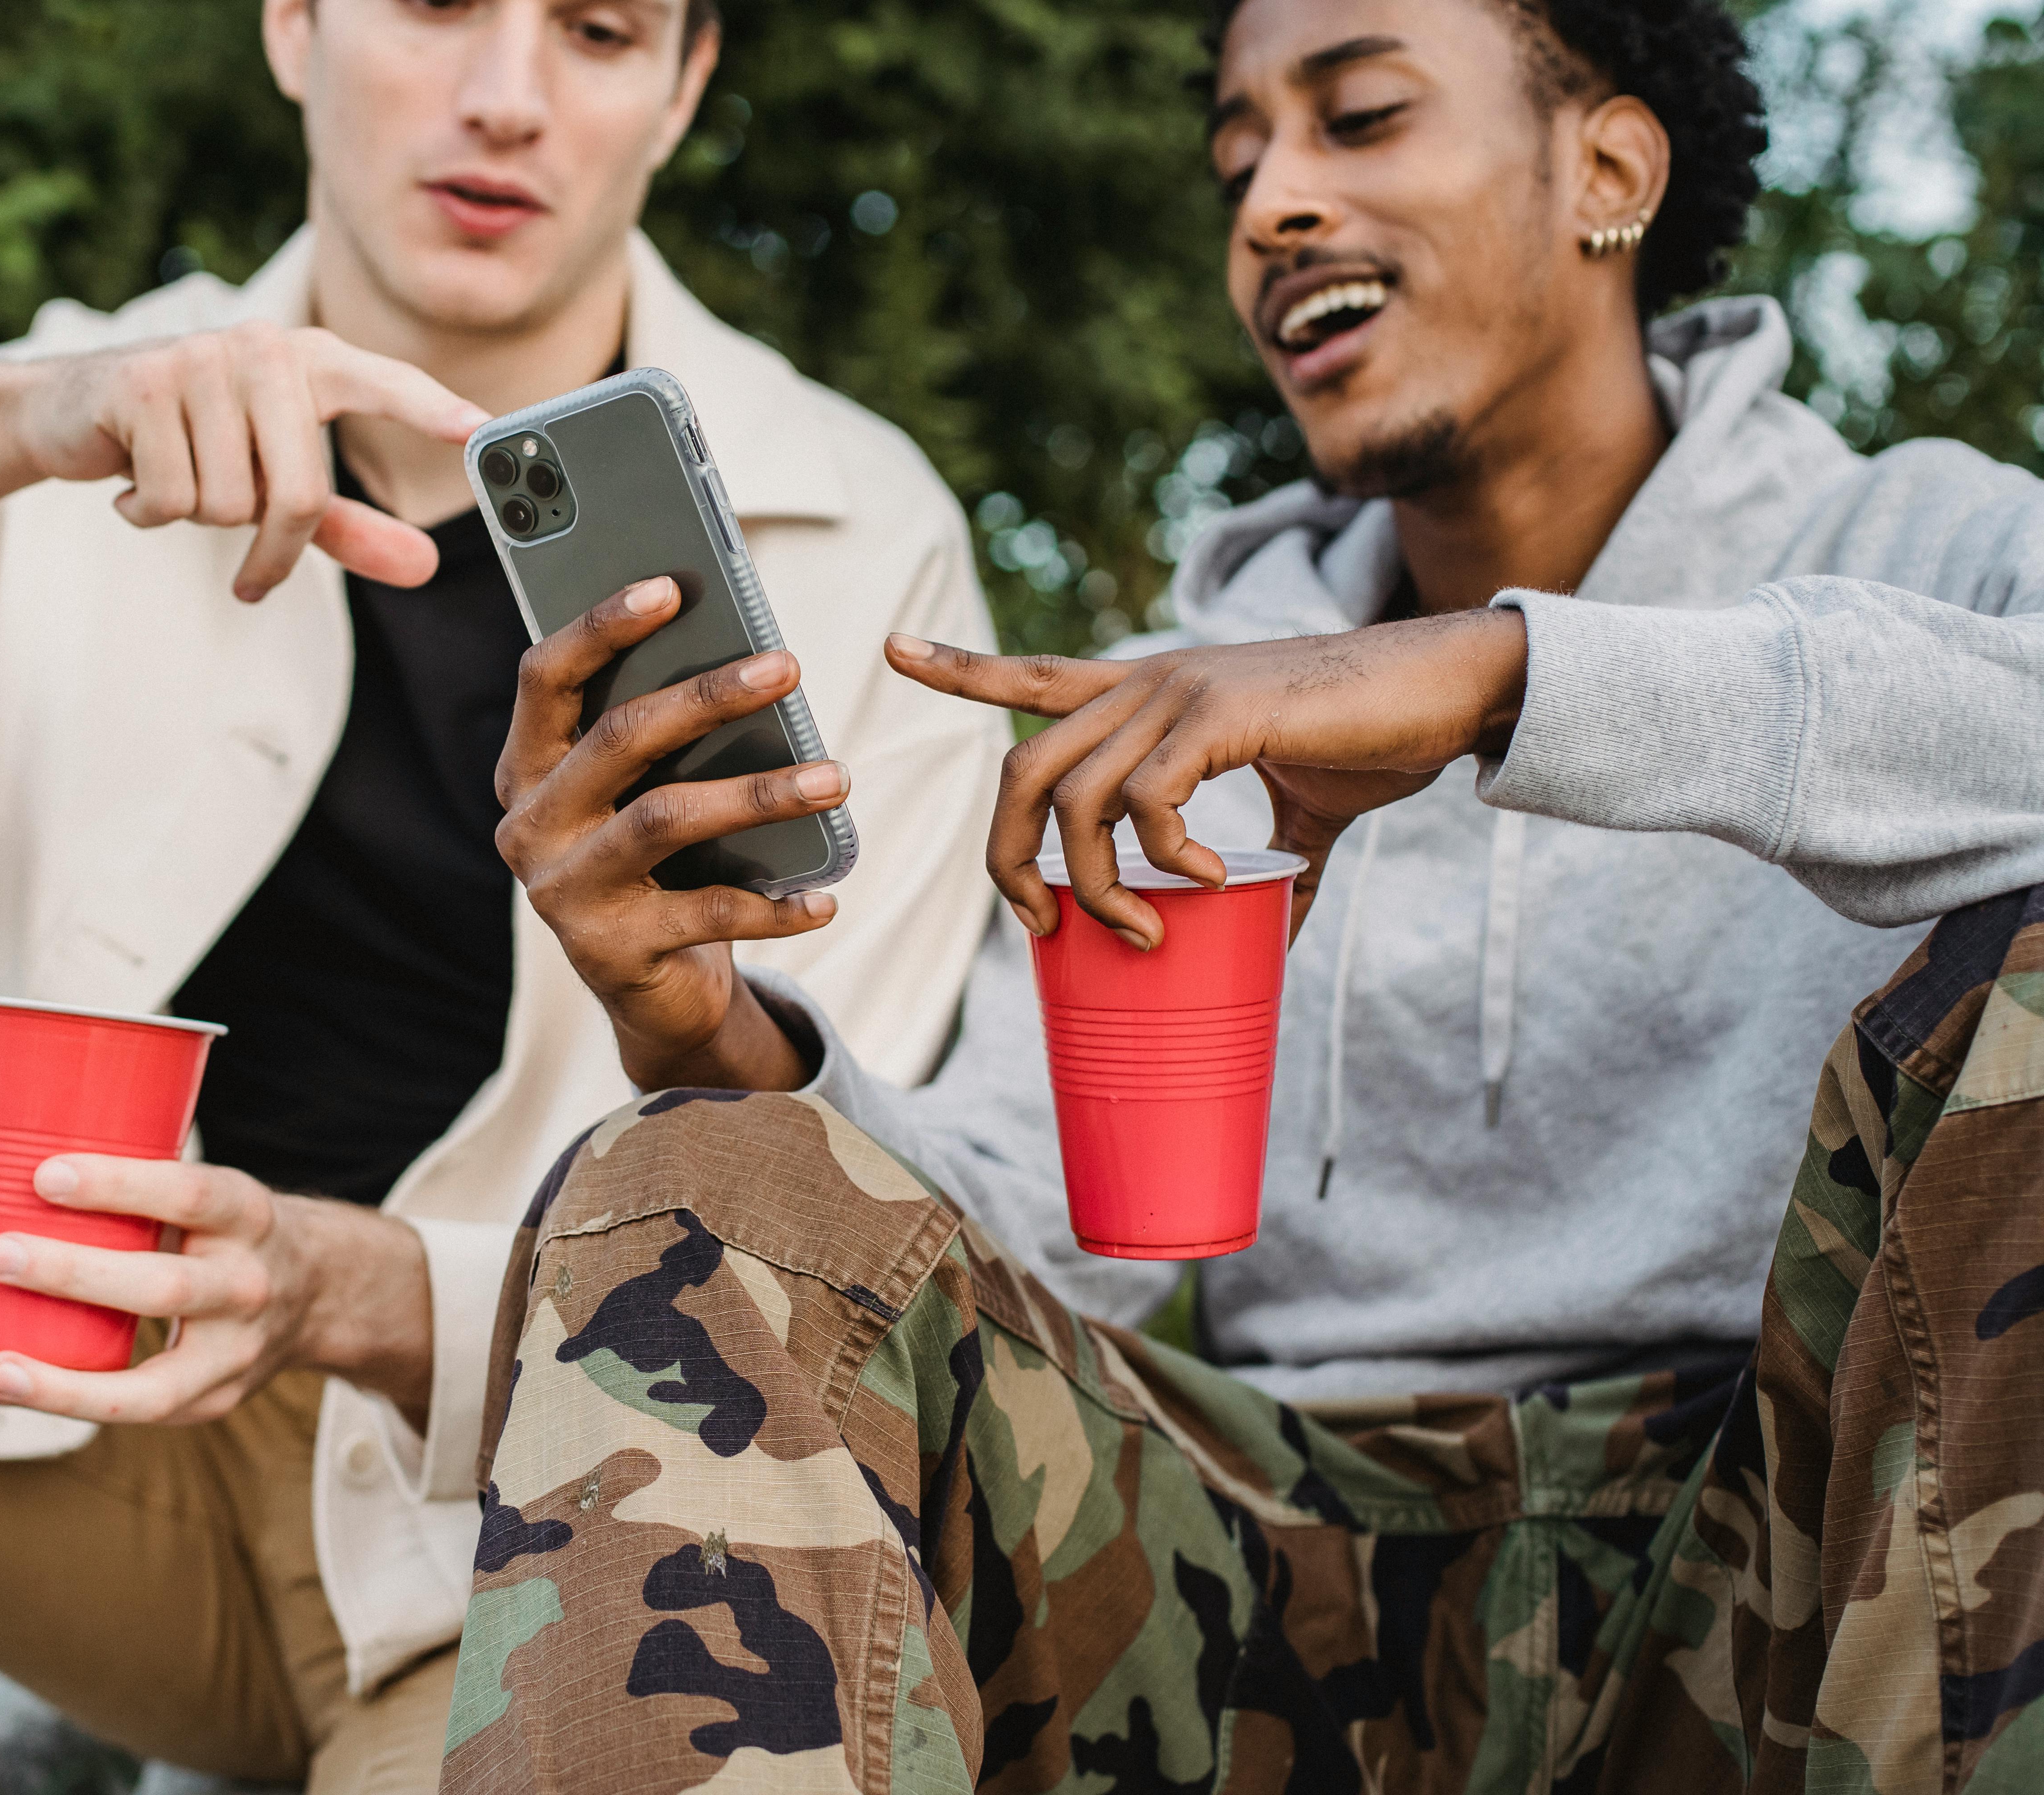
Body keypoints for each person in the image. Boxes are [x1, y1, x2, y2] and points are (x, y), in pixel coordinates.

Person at [0, 2, 1007, 1789]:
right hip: (101, 1438)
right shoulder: (91, 418)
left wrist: (347, 1288)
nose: (504, 99)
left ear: (683, 86)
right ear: (293, 23)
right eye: (438, 5)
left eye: (598, 30)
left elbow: (861, 1273)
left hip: (550, 1557)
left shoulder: (853, 528)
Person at [446, 0, 2044, 1786]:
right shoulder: (1176, 704)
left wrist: (1499, 680)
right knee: (687, 1180)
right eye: (1239, 155)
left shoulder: (1942, 551)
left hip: (1801, 1568)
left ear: (1611, 170)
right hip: (1272, 1585)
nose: (1272, 200)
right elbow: (998, 1236)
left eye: (1356, 119)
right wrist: (703, 1029)